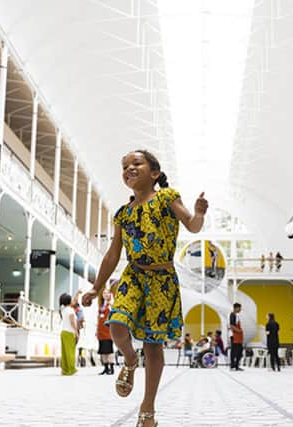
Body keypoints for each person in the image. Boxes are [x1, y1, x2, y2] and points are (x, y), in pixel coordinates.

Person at [82, 150, 207, 427]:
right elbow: (112, 255)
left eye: (136, 163)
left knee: (153, 346)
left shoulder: (166, 197)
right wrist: (96, 287)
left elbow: (193, 226)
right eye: (124, 166)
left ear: (154, 173)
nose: (129, 168)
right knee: (116, 324)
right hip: (133, 276)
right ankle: (128, 360)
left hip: (161, 282)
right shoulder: (123, 213)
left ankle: (148, 406)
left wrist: (199, 212)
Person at [97, 282, 116, 375]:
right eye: (104, 293)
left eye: (107, 293)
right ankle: (105, 367)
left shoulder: (112, 304)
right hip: (101, 331)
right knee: (103, 350)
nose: (105, 295)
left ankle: (111, 367)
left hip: (108, 331)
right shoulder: (101, 305)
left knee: (109, 350)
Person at [59, 293, 78, 376]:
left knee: (64, 352)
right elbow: (72, 322)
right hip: (69, 332)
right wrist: (76, 332)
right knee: (70, 351)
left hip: (63, 332)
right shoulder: (70, 310)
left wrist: (77, 293)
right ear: (69, 301)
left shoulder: (63, 310)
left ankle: (65, 369)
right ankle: (71, 369)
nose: (72, 301)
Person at [229, 302, 244, 371]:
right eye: (239, 308)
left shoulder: (237, 315)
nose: (240, 309)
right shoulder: (232, 315)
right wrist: (239, 331)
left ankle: (237, 365)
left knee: (239, 352)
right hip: (234, 336)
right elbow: (232, 325)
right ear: (236, 308)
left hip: (239, 336)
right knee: (234, 351)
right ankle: (232, 366)